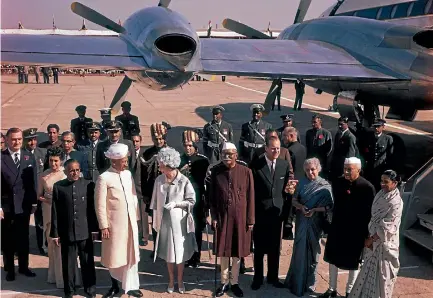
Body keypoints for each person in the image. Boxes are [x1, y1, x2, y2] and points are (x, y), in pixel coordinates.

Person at [320, 157, 376, 298]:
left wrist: (367, 234)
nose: (346, 172)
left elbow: (370, 213)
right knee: (333, 258)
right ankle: (331, 289)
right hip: (338, 228)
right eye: (345, 168)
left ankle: (350, 292)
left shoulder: (367, 187)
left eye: (349, 169)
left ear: (358, 170)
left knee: (353, 262)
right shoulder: (338, 182)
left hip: (356, 231)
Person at [95, 143, 142, 298]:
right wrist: (104, 226)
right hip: (114, 225)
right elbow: (100, 205)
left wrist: (137, 219)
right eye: (123, 160)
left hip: (130, 223)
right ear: (114, 161)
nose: (126, 163)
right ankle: (115, 285)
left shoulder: (128, 174)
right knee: (114, 255)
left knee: (131, 254)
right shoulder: (104, 178)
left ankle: (132, 286)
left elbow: (134, 197)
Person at [208, 142, 255, 298]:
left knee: (236, 251)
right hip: (222, 218)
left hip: (240, 219)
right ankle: (224, 282)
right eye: (224, 155)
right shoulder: (216, 172)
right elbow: (212, 198)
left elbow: (250, 197)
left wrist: (250, 219)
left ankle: (234, 282)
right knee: (224, 251)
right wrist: (213, 216)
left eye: (230, 155)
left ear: (236, 155)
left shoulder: (246, 172)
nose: (227, 158)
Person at [349, 170, 403, 298]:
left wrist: (371, 239)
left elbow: (388, 227)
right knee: (366, 272)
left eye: (386, 182)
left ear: (395, 183)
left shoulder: (396, 202)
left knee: (382, 277)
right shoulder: (380, 193)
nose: (382, 184)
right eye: (381, 181)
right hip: (371, 239)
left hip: (384, 245)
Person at [284, 158, 333, 297]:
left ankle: (310, 284)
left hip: (315, 224)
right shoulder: (302, 183)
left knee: (313, 254)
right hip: (301, 222)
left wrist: (315, 210)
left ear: (318, 169)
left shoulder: (325, 185)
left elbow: (330, 206)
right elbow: (294, 200)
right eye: (307, 170)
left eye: (313, 169)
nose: (310, 172)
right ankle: (297, 284)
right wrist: (301, 207)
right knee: (299, 252)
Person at [151, 147, 197, 294]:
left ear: (168, 165)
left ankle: (181, 280)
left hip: (180, 224)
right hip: (165, 223)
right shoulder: (159, 180)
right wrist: (155, 219)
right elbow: (154, 201)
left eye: (161, 164)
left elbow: (192, 200)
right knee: (169, 253)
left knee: (180, 253)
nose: (159, 166)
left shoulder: (183, 181)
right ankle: (171, 280)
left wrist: (177, 204)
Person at [50, 159, 98, 298]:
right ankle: (69, 291)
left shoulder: (88, 184)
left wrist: (95, 230)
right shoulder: (59, 187)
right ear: (65, 172)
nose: (75, 173)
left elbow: (92, 210)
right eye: (71, 170)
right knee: (68, 264)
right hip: (67, 232)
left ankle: (90, 289)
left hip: (85, 231)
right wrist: (55, 233)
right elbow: (55, 212)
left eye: (77, 170)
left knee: (87, 262)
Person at [250, 136, 292, 290]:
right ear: (266, 148)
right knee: (259, 248)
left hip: (277, 213)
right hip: (261, 212)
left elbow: (286, 189)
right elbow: (251, 191)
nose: (276, 151)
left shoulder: (284, 164)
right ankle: (258, 278)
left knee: (275, 248)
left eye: (278, 148)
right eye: (273, 148)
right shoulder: (256, 165)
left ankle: (273, 277)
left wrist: (290, 192)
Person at [38, 148, 81, 290]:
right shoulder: (44, 175)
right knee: (53, 246)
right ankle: (56, 277)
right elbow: (39, 195)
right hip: (49, 212)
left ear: (61, 161)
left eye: (56, 161)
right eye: (51, 160)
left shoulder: (66, 174)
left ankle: (72, 277)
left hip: (65, 213)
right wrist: (49, 200)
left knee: (68, 246)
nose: (53, 163)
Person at [1, 128, 38, 281]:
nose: (16, 142)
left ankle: (23, 266)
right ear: (7, 140)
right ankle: (9, 268)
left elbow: (33, 182)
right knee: (8, 239)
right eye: (13, 139)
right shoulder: (1, 158)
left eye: (19, 139)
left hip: (23, 204)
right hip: (7, 206)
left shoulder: (29, 157)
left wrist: (34, 201)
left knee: (23, 237)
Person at [178, 129, 210, 267]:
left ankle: (196, 257)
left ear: (195, 147)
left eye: (190, 146)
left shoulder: (203, 160)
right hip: (183, 198)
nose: (188, 148)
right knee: (184, 228)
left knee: (196, 229)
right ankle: (187, 255)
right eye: (186, 146)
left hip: (198, 200)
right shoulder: (179, 159)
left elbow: (207, 182)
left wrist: (207, 202)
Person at [140, 122, 171, 256]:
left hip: (169, 193)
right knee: (155, 223)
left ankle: (168, 248)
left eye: (160, 138)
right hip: (153, 193)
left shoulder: (171, 153)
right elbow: (143, 176)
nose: (158, 141)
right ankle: (157, 248)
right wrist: (146, 195)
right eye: (155, 139)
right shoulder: (147, 153)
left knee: (168, 222)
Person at [23, 128, 48, 255]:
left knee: (40, 223)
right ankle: (20, 249)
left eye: (33, 139)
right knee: (22, 224)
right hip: (25, 195)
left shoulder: (43, 153)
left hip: (40, 194)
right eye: (29, 140)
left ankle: (42, 246)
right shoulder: (21, 154)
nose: (32, 142)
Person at [281, 127, 307, 240]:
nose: (283, 139)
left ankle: (287, 230)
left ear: (291, 136)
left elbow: (288, 168)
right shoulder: (302, 148)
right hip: (301, 182)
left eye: (285, 136)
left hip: (291, 182)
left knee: (289, 207)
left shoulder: (289, 150)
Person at [363, 119, 394, 191]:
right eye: (375, 126)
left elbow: (390, 155)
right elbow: (365, 151)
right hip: (370, 166)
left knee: (379, 186)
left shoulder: (388, 139)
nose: (376, 128)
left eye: (378, 126)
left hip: (381, 167)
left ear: (383, 127)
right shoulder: (369, 137)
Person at [131, 133, 149, 246]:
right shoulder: (128, 154)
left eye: (137, 141)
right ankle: (135, 235)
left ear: (140, 142)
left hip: (142, 189)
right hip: (131, 188)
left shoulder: (145, 154)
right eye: (133, 141)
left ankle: (144, 236)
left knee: (143, 215)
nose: (135, 144)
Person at [330, 117, 358, 182]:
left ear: (346, 124)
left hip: (343, 165)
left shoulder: (350, 137)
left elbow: (351, 154)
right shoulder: (338, 134)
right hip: (336, 164)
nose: (339, 126)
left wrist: (347, 168)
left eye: (341, 124)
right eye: (338, 124)